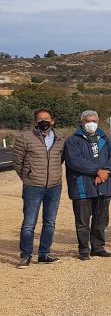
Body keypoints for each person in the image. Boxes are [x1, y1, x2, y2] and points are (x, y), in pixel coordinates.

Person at [15, 109, 68, 268]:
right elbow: (18, 163)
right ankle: (25, 255)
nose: (43, 121)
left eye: (46, 118)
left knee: (50, 222)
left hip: (54, 187)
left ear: (53, 121)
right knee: (29, 223)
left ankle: (44, 254)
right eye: (40, 119)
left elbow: (61, 160)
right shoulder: (25, 138)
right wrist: (28, 177)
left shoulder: (60, 140)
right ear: (35, 122)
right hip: (33, 187)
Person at [64, 110, 111, 260]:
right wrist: (97, 171)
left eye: (94, 121)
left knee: (101, 219)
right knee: (82, 221)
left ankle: (98, 247)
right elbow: (75, 161)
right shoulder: (73, 141)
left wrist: (106, 172)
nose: (92, 124)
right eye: (88, 121)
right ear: (81, 122)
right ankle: (83, 250)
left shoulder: (104, 137)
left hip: (103, 185)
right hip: (83, 186)